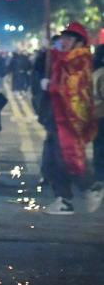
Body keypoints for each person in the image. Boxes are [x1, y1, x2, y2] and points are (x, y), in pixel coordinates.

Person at [41, 22, 99, 214]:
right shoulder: (65, 58)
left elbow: (72, 89)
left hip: (69, 118)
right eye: (63, 37)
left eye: (68, 38)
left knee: (67, 158)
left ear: (79, 41)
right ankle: (63, 199)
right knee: (52, 161)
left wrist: (50, 86)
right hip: (56, 116)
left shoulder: (80, 60)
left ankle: (89, 187)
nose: (63, 41)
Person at [92, 44, 104, 187]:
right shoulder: (102, 73)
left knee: (99, 147)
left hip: (96, 115)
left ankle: (99, 177)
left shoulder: (95, 72)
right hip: (102, 115)